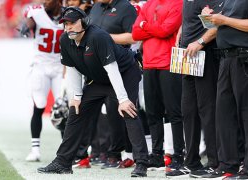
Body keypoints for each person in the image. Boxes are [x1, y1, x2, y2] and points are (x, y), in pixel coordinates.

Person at [37, 7, 149, 177]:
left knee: (128, 111)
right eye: (66, 24)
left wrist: (123, 99)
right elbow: (72, 67)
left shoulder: (98, 37)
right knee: (76, 111)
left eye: (72, 22)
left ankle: (141, 163)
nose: (69, 27)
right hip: (98, 79)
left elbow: (112, 69)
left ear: (84, 22)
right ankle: (63, 162)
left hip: (124, 73)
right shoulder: (65, 40)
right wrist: (76, 97)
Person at [165, 0, 223, 177]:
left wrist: (200, 42)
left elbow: (219, 23)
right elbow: (190, 19)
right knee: (188, 111)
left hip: (205, 55)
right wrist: (181, 33)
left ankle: (215, 162)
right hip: (187, 57)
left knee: (208, 110)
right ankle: (191, 162)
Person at [200, 1, 248, 179]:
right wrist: (209, 17)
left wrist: (224, 20)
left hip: (245, 57)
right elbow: (218, 24)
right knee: (224, 114)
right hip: (225, 58)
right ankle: (228, 164)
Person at [132, 0, 185, 171]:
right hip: (148, 64)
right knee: (153, 112)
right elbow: (135, 33)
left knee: (174, 112)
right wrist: (150, 26)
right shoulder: (148, 4)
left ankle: (178, 155)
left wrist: (144, 24)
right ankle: (157, 154)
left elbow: (165, 31)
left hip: (169, 64)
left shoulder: (178, 3)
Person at [88, 0, 139, 169]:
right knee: (106, 112)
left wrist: (105, 38)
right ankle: (106, 151)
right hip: (98, 66)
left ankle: (128, 153)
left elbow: (133, 36)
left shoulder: (126, 8)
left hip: (122, 64)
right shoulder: (96, 7)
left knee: (122, 108)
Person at [20, 0, 64, 162]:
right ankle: (35, 149)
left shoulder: (67, 14)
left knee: (63, 108)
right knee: (39, 105)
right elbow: (28, 23)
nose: (46, 2)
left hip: (60, 66)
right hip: (41, 65)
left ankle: (65, 150)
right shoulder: (36, 12)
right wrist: (27, 26)